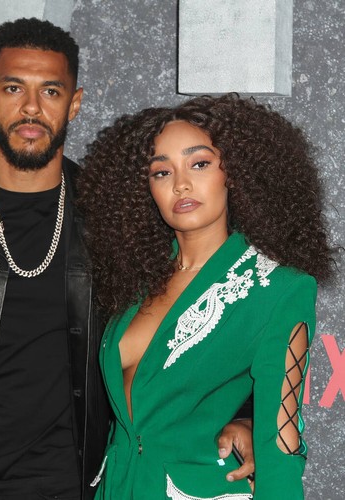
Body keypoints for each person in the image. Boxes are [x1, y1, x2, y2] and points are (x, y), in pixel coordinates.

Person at [0, 19, 254, 500]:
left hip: (73, 487)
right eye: (13, 88)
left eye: (51, 91)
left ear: (74, 104)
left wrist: (244, 414)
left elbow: (201, 317)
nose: (31, 107)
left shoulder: (113, 217)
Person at [77, 95, 333, 499]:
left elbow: (281, 443)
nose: (180, 184)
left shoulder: (280, 288)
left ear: (234, 171)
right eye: (161, 172)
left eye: (199, 164)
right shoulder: (133, 278)